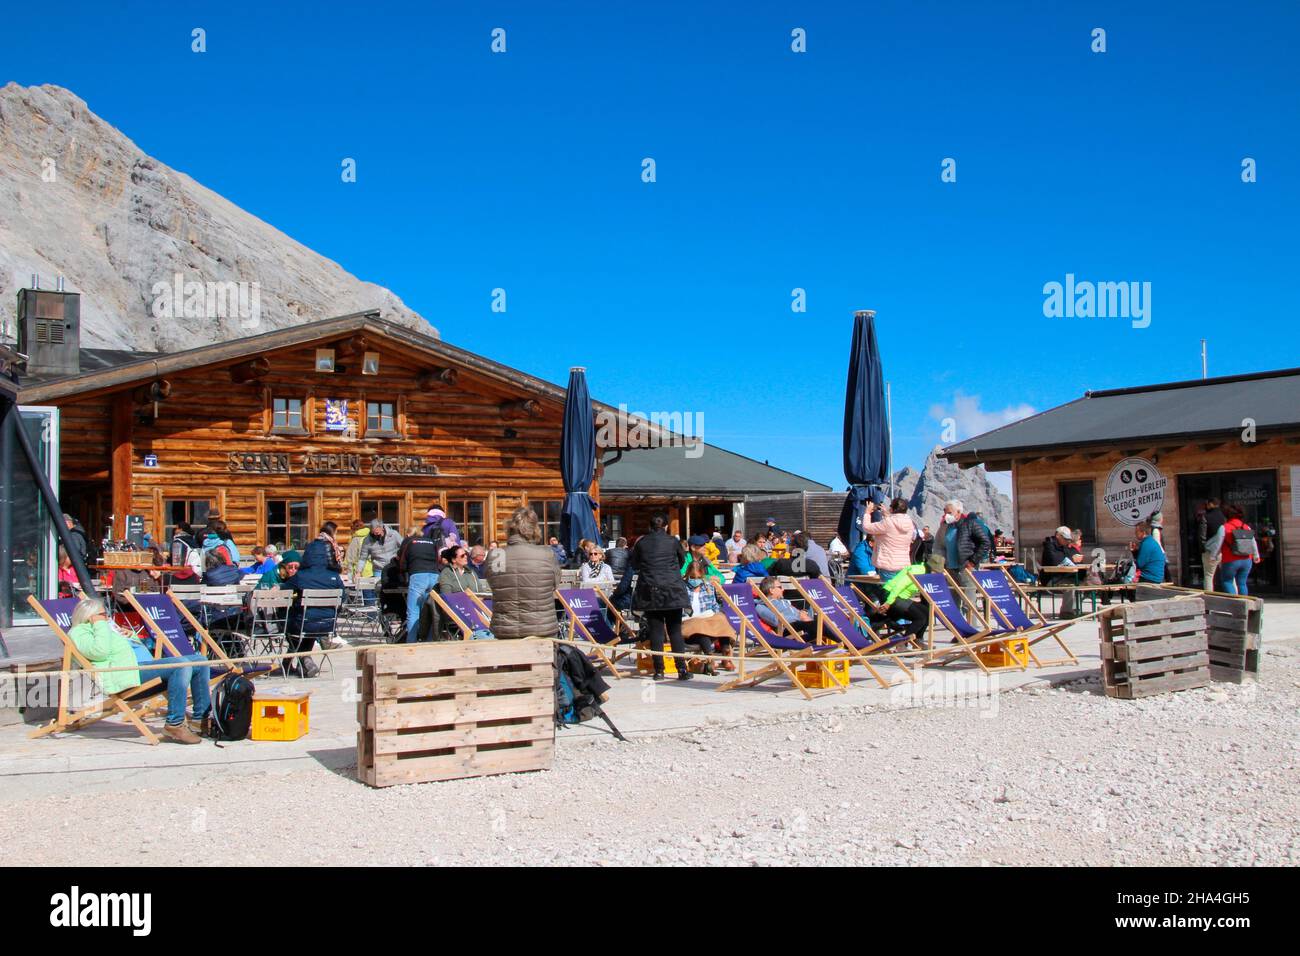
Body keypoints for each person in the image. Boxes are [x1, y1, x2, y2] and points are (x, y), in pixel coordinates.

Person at [68, 596, 210, 744]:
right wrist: (100, 625)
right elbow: (100, 652)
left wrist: (131, 636)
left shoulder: (102, 629)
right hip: (121, 678)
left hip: (134, 669)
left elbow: (130, 651)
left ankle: (200, 720)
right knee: (182, 664)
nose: (107, 618)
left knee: (200, 661)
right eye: (103, 615)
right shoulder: (79, 632)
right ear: (90, 617)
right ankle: (174, 724)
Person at [629, 512, 692, 681]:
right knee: (675, 631)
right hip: (672, 588)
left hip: (651, 589)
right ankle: (681, 669)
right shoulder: (673, 541)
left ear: (650, 527)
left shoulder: (642, 543)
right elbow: (682, 561)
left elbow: (634, 564)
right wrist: (670, 572)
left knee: (656, 631)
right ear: (665, 526)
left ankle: (659, 670)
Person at [486, 507, 562, 639]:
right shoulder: (546, 553)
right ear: (535, 529)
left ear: (509, 528)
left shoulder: (497, 555)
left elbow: (495, 585)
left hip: (505, 631)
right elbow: (555, 584)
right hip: (542, 630)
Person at [282, 536, 347, 672]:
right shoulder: (334, 577)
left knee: (293, 624)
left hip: (302, 623)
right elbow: (343, 597)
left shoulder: (301, 576)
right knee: (309, 625)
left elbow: (283, 591)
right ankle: (295, 663)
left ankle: (304, 660)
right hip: (327, 625)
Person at [681, 558, 734, 673]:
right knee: (700, 627)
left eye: (698, 578)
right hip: (689, 621)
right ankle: (710, 658)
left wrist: (716, 615)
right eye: (693, 578)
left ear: (702, 576)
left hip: (707, 618)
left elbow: (714, 606)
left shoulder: (708, 587)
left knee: (722, 619)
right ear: (687, 576)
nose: (695, 580)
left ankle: (726, 654)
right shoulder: (682, 588)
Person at [863, 562, 929, 644]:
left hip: (900, 597)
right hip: (891, 595)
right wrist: (888, 602)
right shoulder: (917, 571)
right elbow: (899, 586)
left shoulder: (924, 572)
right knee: (920, 617)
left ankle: (918, 640)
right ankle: (902, 644)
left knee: (927, 612)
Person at [401, 522, 444, 643]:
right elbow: (437, 559)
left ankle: (411, 642)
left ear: (409, 533)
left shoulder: (409, 541)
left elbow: (401, 561)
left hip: (418, 575)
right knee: (430, 611)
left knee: (413, 612)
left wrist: (405, 572)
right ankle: (429, 641)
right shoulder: (431, 542)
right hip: (434, 575)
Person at [860, 497, 916, 581]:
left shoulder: (887, 522)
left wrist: (867, 513)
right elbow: (895, 524)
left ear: (892, 509)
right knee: (898, 592)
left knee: (889, 593)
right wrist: (887, 515)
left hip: (888, 565)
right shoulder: (910, 523)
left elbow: (867, 527)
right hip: (904, 565)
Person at [754, 576, 818, 641]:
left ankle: (825, 641)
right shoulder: (761, 606)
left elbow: (796, 612)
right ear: (771, 590)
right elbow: (775, 621)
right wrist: (799, 617)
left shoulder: (783, 601)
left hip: (800, 624)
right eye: (780, 587)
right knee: (818, 625)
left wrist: (802, 613)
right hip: (788, 628)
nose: (783, 589)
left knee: (821, 621)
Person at [1217, 506, 1260, 595]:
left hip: (1230, 560)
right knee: (1242, 583)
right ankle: (1244, 605)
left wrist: (1214, 556)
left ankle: (1235, 605)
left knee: (1227, 581)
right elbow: (1253, 542)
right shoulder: (1246, 527)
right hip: (1247, 559)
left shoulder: (1224, 527)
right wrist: (1256, 555)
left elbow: (1218, 544)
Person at [1196, 497, 1227, 591]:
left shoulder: (1206, 517)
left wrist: (1202, 548)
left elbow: (1202, 535)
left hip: (1210, 550)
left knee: (1209, 575)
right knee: (1228, 576)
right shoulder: (1224, 517)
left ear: (1211, 504)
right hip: (1223, 549)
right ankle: (1233, 594)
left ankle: (1209, 597)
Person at [1132, 520, 1167, 585]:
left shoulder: (1146, 544)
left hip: (1150, 578)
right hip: (1156, 577)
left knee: (1128, 581)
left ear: (1143, 532)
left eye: (1137, 532)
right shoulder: (1150, 541)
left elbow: (1140, 564)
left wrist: (1135, 554)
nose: (1135, 534)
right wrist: (1135, 552)